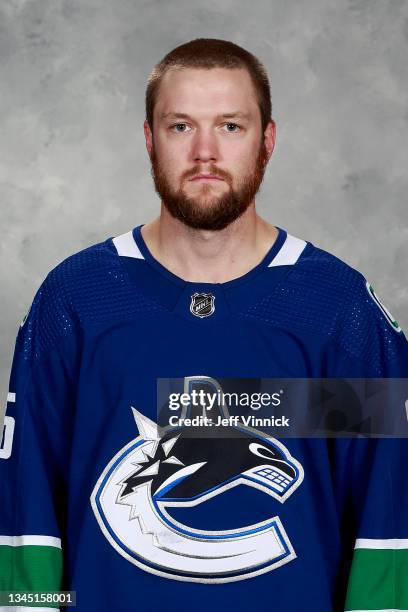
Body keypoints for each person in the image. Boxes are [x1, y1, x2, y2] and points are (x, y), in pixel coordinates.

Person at [1, 38, 407, 612]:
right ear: (149, 139)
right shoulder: (75, 301)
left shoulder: (337, 311)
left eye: (232, 127)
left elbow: (385, 524)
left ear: (268, 140)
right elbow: (27, 522)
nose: (206, 153)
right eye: (181, 127)